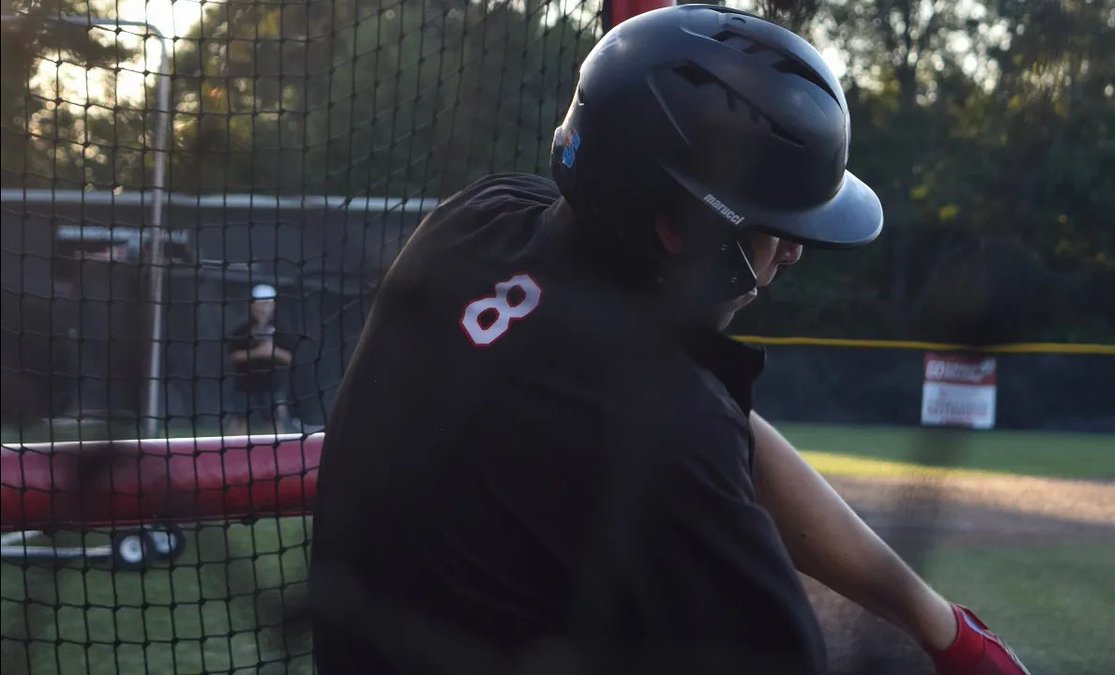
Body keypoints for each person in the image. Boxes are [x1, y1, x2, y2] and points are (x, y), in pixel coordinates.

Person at [309, 6, 1029, 675]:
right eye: (775, 227)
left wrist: (937, 621)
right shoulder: (668, 432)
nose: (793, 254)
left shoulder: (478, 220)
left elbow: (725, 428)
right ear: (683, 234)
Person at [225, 283, 296, 435]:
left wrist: (272, 352)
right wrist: (257, 352)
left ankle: (277, 457)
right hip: (244, 385)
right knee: (239, 422)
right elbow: (234, 356)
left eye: (268, 303)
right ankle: (234, 456)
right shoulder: (241, 330)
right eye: (260, 303)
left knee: (275, 423)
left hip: (271, 386)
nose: (264, 308)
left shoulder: (282, 329)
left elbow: (290, 358)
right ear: (253, 305)